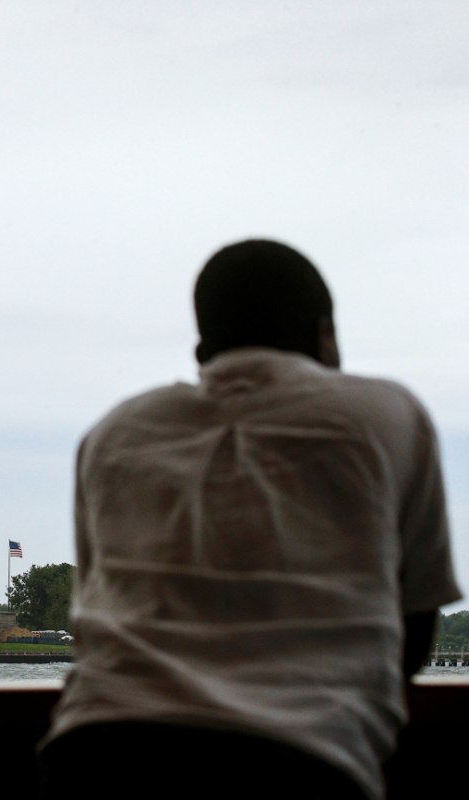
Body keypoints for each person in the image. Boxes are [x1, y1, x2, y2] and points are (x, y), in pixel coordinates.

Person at [37, 239, 461, 799]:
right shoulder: (386, 417)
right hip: (301, 763)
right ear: (324, 334)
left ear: (202, 348)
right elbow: (414, 626)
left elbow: (96, 610)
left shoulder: (114, 434)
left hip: (92, 757)